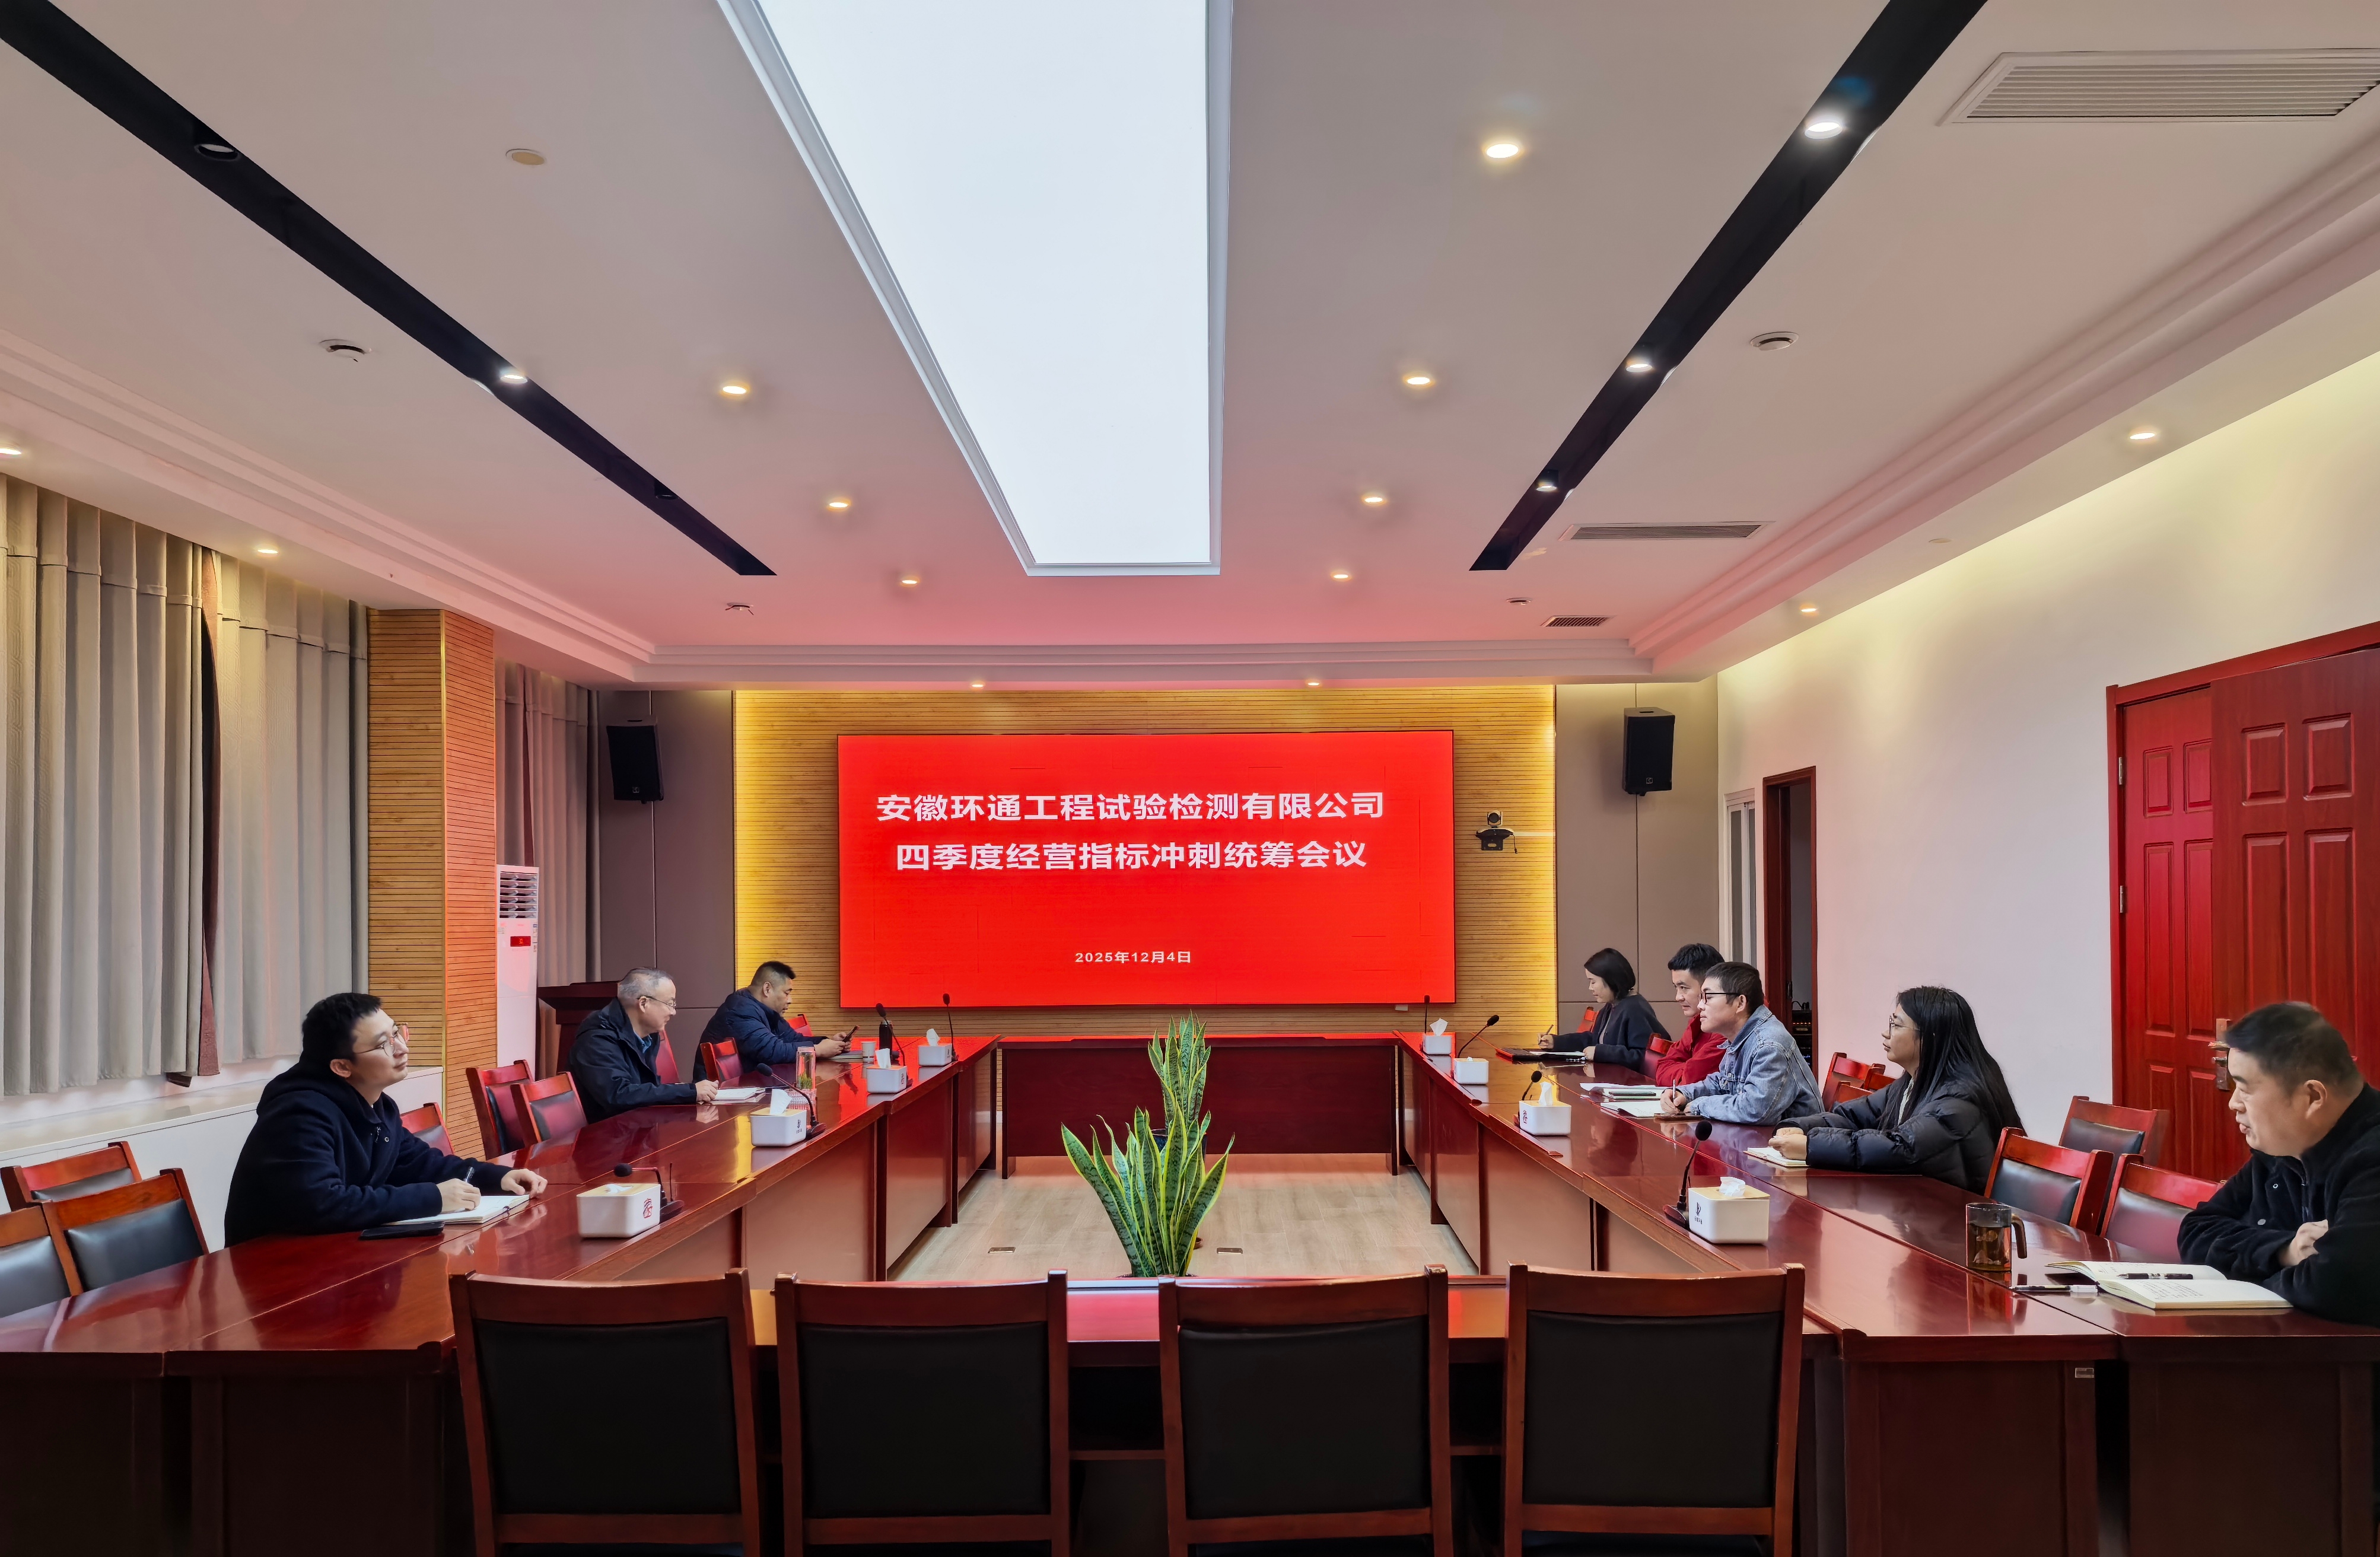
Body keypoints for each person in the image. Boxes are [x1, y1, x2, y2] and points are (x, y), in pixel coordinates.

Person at [225, 993, 548, 1244]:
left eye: (397, 1033)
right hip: (280, 1269)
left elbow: (418, 1163)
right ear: (342, 1067)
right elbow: (322, 1204)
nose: (402, 1048)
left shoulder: (378, 1105)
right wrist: (433, 1198)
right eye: (384, 1045)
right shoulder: (299, 1114)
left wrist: (496, 1177)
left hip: (341, 1253)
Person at [2178, 1002, 2380, 1327]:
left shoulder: (2371, 1157)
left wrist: (2247, 1280)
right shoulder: (2282, 1150)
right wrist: (2285, 1251)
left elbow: (2335, 1287)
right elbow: (2195, 1232)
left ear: (2312, 1097)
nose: (2233, 1104)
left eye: (2245, 1089)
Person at [1767, 987, 2023, 1192]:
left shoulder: (1961, 1098)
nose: (1885, 1033)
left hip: (1962, 1222)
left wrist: (1811, 1145)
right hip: (1922, 1208)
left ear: (1930, 1037)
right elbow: (1854, 1116)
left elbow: (1902, 1147)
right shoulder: (1914, 1081)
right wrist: (1799, 1127)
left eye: (1896, 1025)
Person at [1659, 962, 1821, 1125]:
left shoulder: (1769, 1045)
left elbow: (1755, 1109)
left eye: (1708, 997)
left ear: (1740, 1003)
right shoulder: (1740, 1035)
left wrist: (1700, 1105)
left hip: (1794, 1138)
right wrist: (1685, 1094)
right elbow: (1722, 1083)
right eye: (1701, 997)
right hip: (1759, 1136)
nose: (1700, 1006)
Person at [568, 967, 718, 1123]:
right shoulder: (597, 1040)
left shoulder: (648, 1035)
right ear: (644, 1003)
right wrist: (690, 1091)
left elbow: (645, 1091)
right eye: (670, 1003)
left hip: (636, 1126)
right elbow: (619, 1095)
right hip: (608, 1132)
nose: (673, 1012)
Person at [701, 961, 855, 1074]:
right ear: (767, 989)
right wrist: (817, 1050)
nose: (790, 1000)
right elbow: (772, 1051)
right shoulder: (739, 1012)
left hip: (750, 1087)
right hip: (720, 1096)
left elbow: (793, 1039)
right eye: (787, 993)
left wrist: (827, 1043)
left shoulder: (764, 1010)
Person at [1548, 948, 1668, 1071]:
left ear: (1611, 980)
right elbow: (1593, 1039)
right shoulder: (1612, 1005)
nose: (1590, 988)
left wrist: (1601, 1053)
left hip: (1629, 1081)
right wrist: (1556, 1042)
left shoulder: (1635, 1009)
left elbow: (1642, 1057)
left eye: (1593, 982)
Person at [1650, 943, 1729, 1088]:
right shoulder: (1698, 1019)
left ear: (1709, 987)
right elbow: (1662, 1068)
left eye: (1683, 988)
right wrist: (1685, 1068)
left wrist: (1683, 1068)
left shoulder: (1727, 1028)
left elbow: (1689, 1082)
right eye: (1676, 987)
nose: (1678, 997)